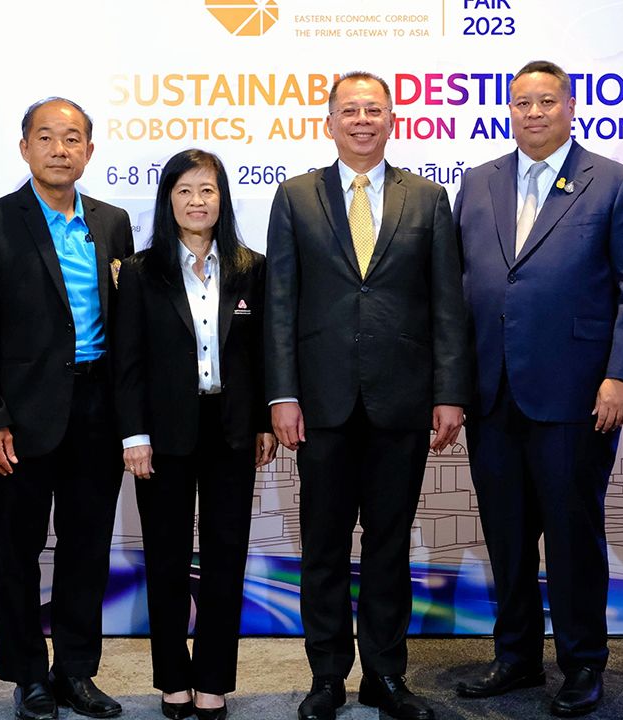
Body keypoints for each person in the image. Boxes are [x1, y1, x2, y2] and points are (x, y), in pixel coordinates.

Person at [453, 59, 623, 717]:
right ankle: (515, 658)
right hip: (492, 395)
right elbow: (462, 289)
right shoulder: (478, 181)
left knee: (572, 538)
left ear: (571, 106)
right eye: (521, 102)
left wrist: (621, 373)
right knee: (507, 539)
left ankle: (581, 666)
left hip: (577, 396)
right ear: (507, 110)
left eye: (547, 101)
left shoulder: (614, 182)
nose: (533, 112)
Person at [264, 71, 470, 720]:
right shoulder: (294, 196)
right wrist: (281, 394)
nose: (361, 120)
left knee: (389, 545)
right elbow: (278, 306)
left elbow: (447, 305)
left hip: (402, 404)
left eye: (373, 110)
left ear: (392, 119)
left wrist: (449, 392)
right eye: (348, 110)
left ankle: (385, 675)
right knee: (322, 548)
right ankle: (327, 676)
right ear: (328, 122)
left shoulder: (429, 198)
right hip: (319, 406)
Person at [0, 97, 134, 720]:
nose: (60, 150)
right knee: (18, 548)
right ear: (24, 147)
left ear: (89, 150)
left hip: (98, 408)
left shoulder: (112, 222)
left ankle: (77, 673)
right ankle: (29, 677)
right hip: (19, 414)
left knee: (88, 547)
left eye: (73, 139)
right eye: (47, 138)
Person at [114, 149, 278, 720]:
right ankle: (172, 682)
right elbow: (127, 363)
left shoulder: (250, 267)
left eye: (207, 190)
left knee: (226, 557)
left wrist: (261, 419)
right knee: (164, 558)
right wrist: (133, 435)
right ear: (167, 201)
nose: (196, 201)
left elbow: (260, 355)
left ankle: (213, 681)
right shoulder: (139, 271)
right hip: (161, 434)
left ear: (222, 198)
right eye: (184, 191)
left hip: (231, 430)